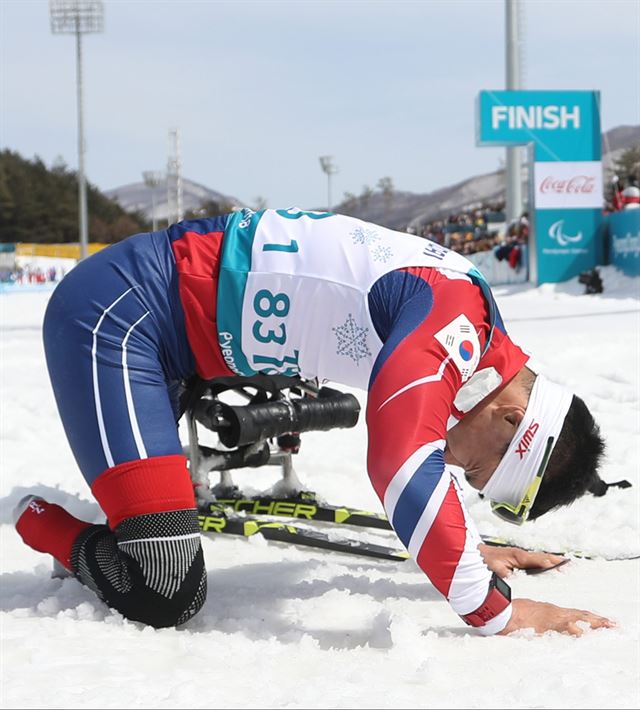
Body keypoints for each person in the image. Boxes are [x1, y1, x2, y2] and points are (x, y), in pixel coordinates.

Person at [14, 207, 614, 636]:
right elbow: (403, 464)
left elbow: (427, 463)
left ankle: (121, 510)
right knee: (165, 588)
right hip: (120, 318)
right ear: (512, 416)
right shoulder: (454, 326)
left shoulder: (481, 330)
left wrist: (471, 547)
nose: (456, 465)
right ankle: (36, 519)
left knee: (159, 551)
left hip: (191, 349)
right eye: (477, 465)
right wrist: (495, 610)